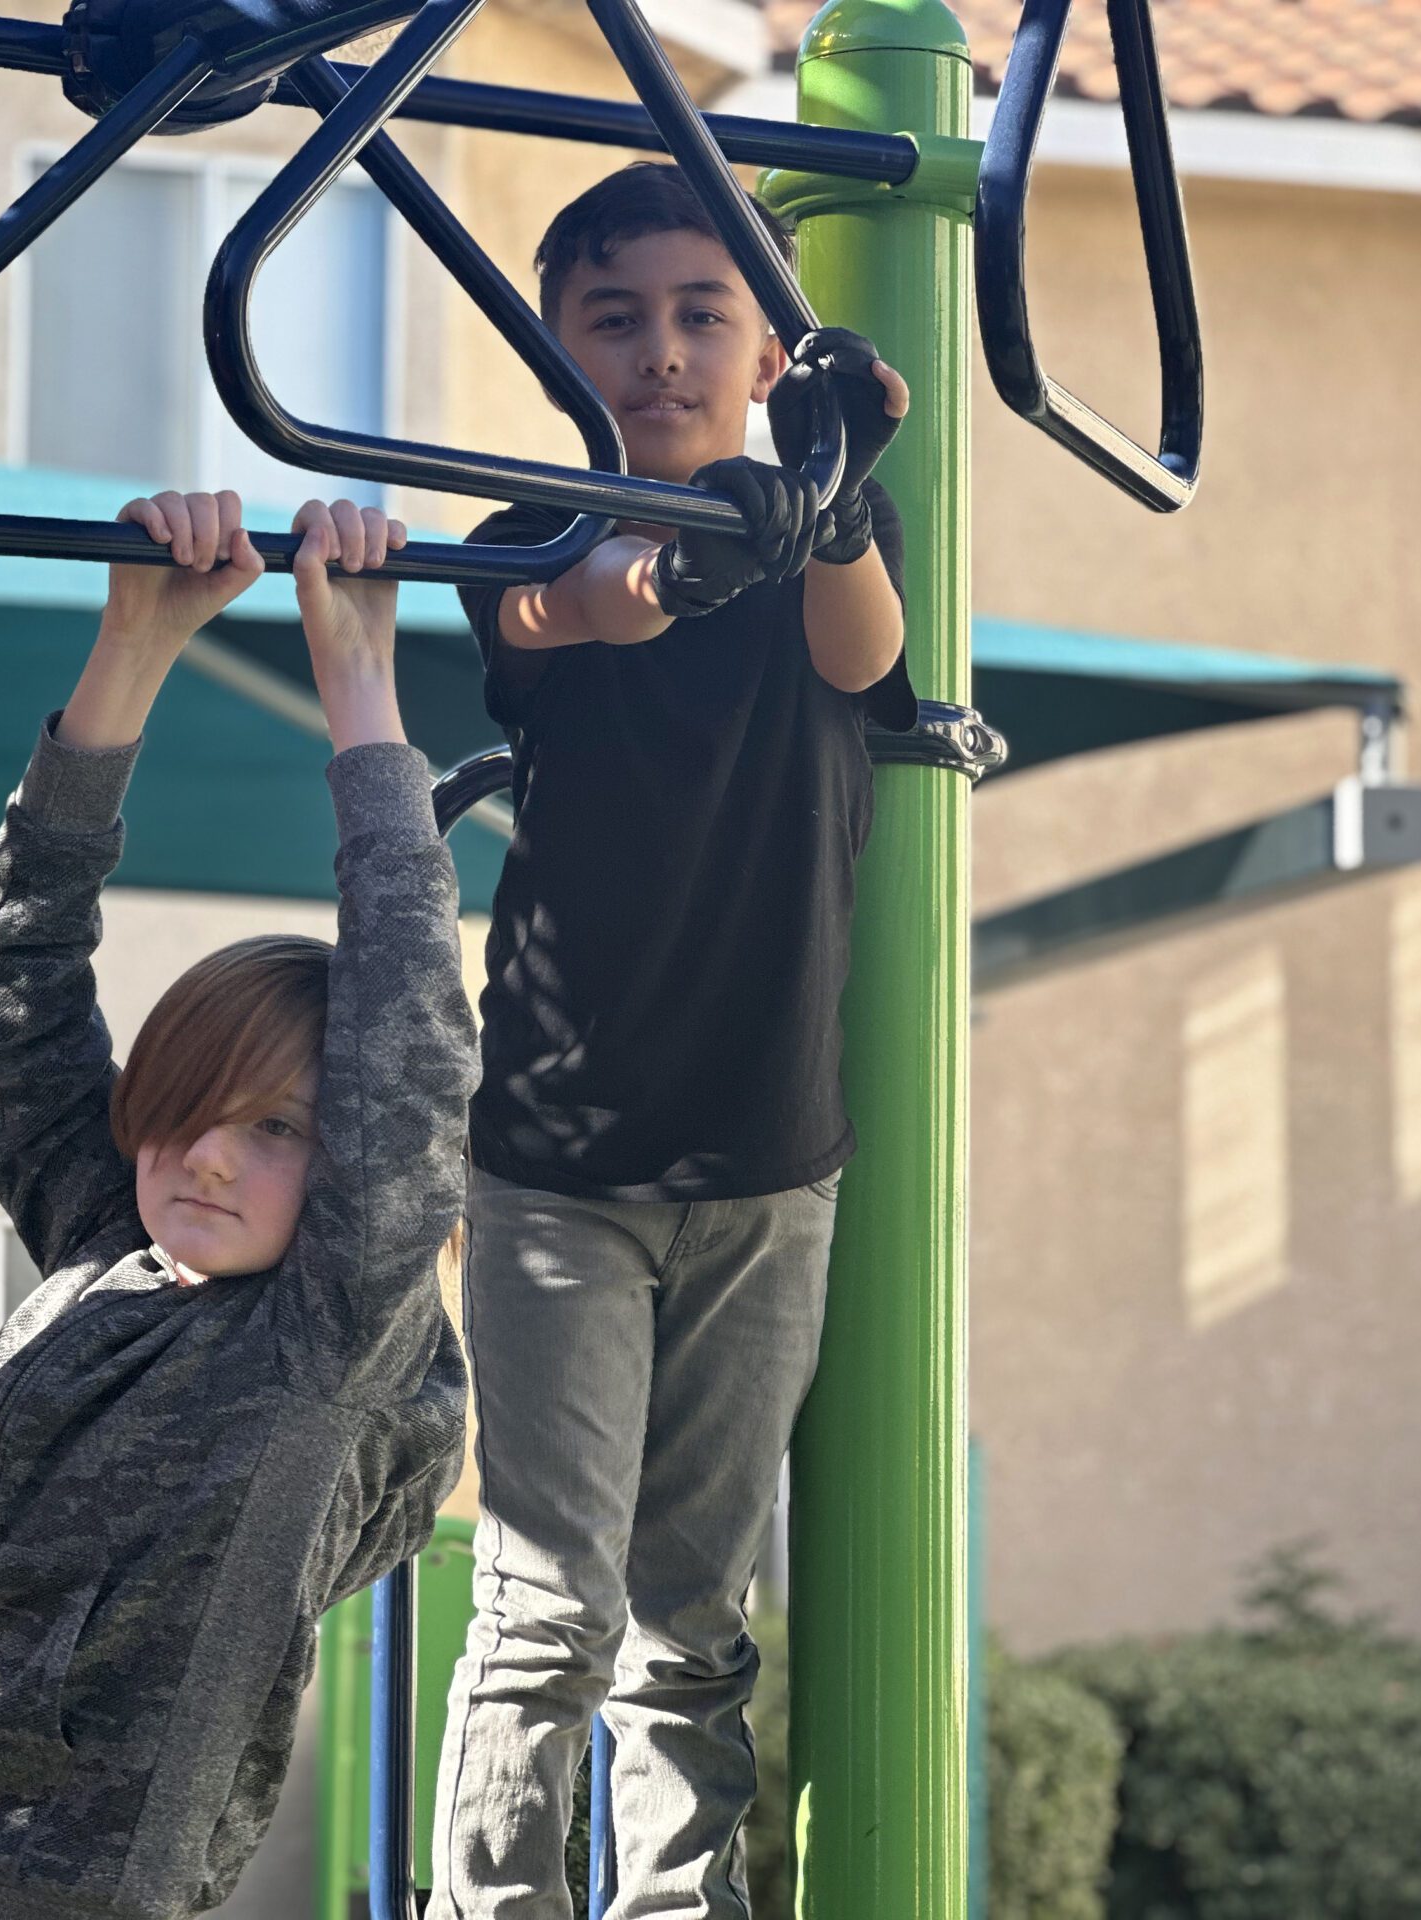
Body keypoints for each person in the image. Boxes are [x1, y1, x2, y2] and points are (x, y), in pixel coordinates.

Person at [0, 489, 479, 1920]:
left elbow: (413, 1045)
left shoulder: (318, 1357)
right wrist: (131, 647)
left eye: (280, 1129)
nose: (209, 1156)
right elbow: (22, 990)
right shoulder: (117, 1252)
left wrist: (360, 679)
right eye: (188, 1107)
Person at [425, 161, 911, 1920]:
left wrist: (832, 495)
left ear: (769, 348)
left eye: (707, 313)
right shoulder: (523, 536)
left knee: (691, 1617)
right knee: (548, 1602)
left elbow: (866, 658)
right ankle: (493, 1906)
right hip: (561, 1164)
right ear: (555, 348)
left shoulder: (822, 529)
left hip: (767, 1159)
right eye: (612, 318)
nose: (660, 349)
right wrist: (688, 543)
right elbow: (588, 608)